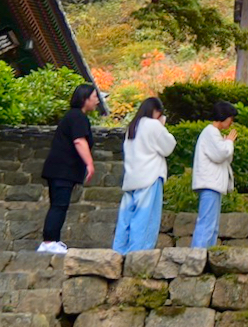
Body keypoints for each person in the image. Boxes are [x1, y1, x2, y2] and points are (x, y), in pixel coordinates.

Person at [36, 83, 99, 254]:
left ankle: (53, 240)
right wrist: (89, 163)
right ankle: (49, 242)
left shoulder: (72, 116)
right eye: (94, 97)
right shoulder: (78, 117)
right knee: (59, 205)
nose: (97, 101)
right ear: (85, 99)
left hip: (59, 169)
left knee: (58, 204)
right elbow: (79, 140)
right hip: (63, 170)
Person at [112, 95, 174, 255]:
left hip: (132, 178)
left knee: (126, 217)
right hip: (150, 177)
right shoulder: (153, 125)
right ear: (156, 111)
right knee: (145, 218)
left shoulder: (132, 126)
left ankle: (119, 251)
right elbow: (168, 146)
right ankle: (138, 254)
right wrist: (162, 126)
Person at [189, 111, 236, 250]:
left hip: (213, 184)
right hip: (210, 184)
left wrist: (226, 144)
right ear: (223, 117)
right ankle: (197, 256)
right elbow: (221, 154)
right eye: (230, 119)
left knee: (212, 224)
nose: (231, 122)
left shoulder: (213, 133)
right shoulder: (211, 132)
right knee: (206, 222)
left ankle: (206, 255)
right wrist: (229, 142)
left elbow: (224, 155)